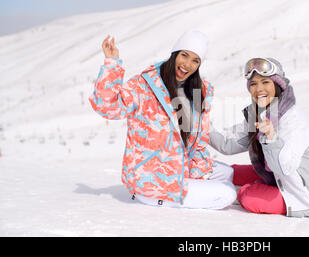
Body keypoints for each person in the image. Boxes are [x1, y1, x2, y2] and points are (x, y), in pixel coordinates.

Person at [89, 30, 236, 210]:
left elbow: (196, 141)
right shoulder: (144, 85)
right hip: (153, 181)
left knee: (228, 173)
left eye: (195, 60)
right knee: (227, 194)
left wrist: (199, 171)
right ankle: (173, 198)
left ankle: (199, 187)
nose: (187, 64)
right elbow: (108, 107)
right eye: (184, 55)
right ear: (175, 54)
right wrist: (112, 63)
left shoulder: (197, 91)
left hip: (179, 167)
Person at [209, 58, 309, 217]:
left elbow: (285, 167)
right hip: (276, 177)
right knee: (232, 172)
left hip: (304, 194)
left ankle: (229, 192)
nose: (259, 89)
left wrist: (271, 137)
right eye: (253, 84)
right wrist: (200, 125)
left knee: (248, 196)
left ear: (277, 85)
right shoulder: (260, 114)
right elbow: (228, 144)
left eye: (265, 82)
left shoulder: (293, 120)